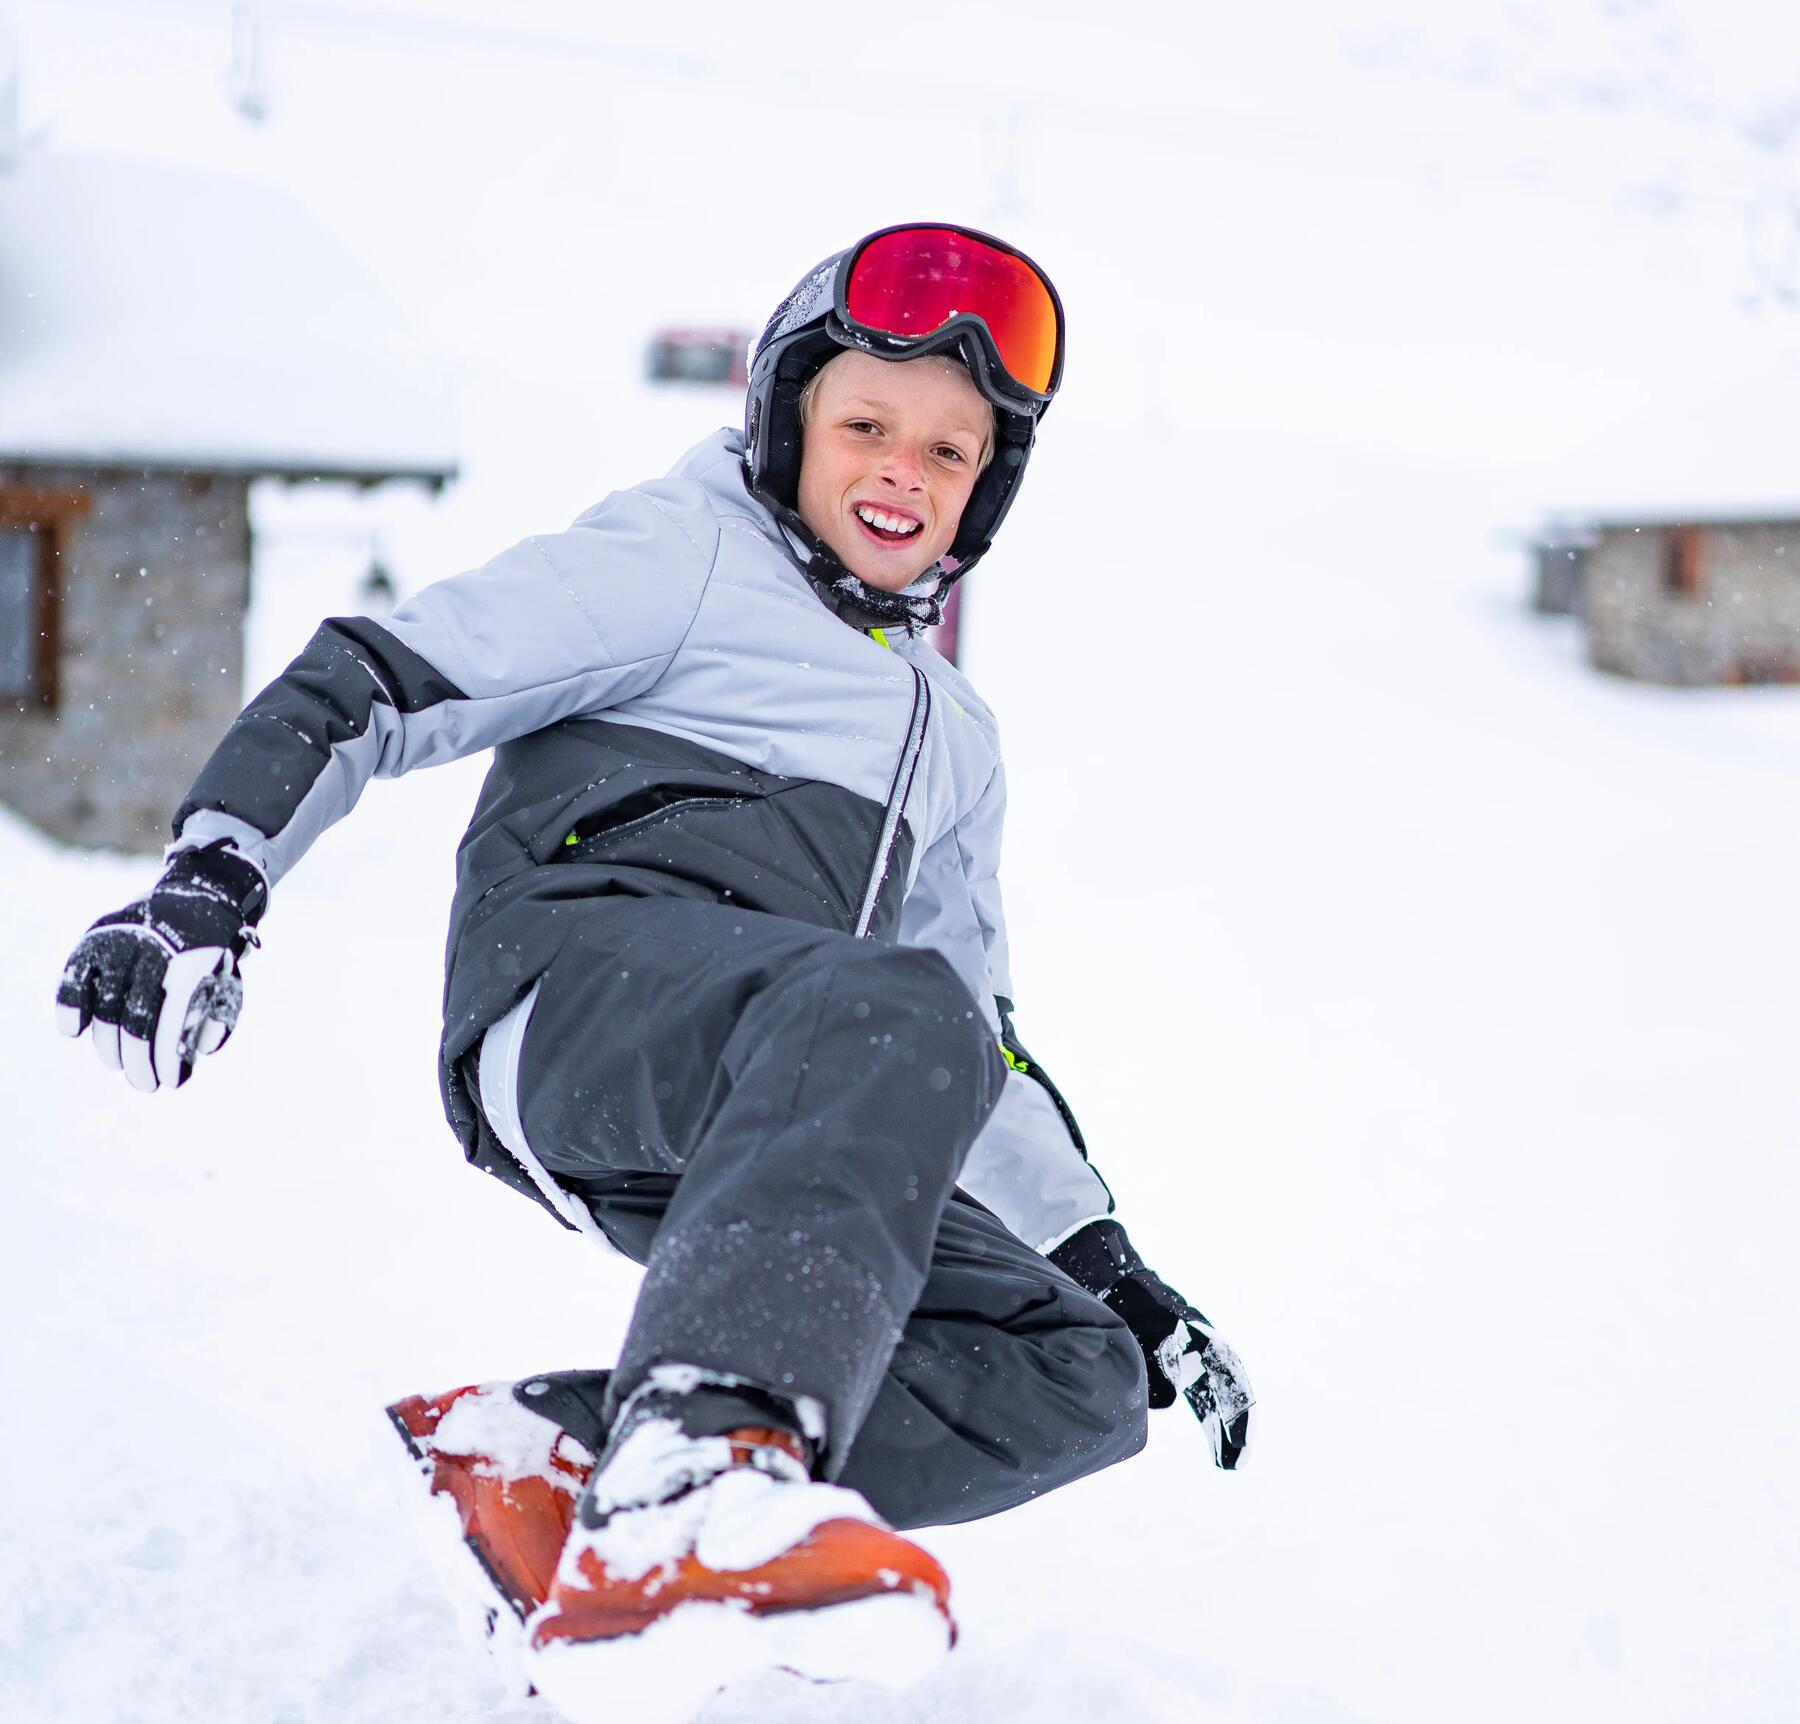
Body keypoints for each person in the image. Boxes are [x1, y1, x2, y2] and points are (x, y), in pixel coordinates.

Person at [54, 223, 1254, 1724]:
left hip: (769, 1090)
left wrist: (1108, 1272)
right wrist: (211, 880)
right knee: (878, 1013)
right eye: (865, 423)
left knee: (1064, 1377)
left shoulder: (958, 738)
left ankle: (550, 1460)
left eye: (950, 451)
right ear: (788, 421)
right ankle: (699, 1470)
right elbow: (385, 677)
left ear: (984, 490)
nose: (903, 470)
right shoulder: (684, 553)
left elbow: (974, 1047)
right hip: (574, 994)